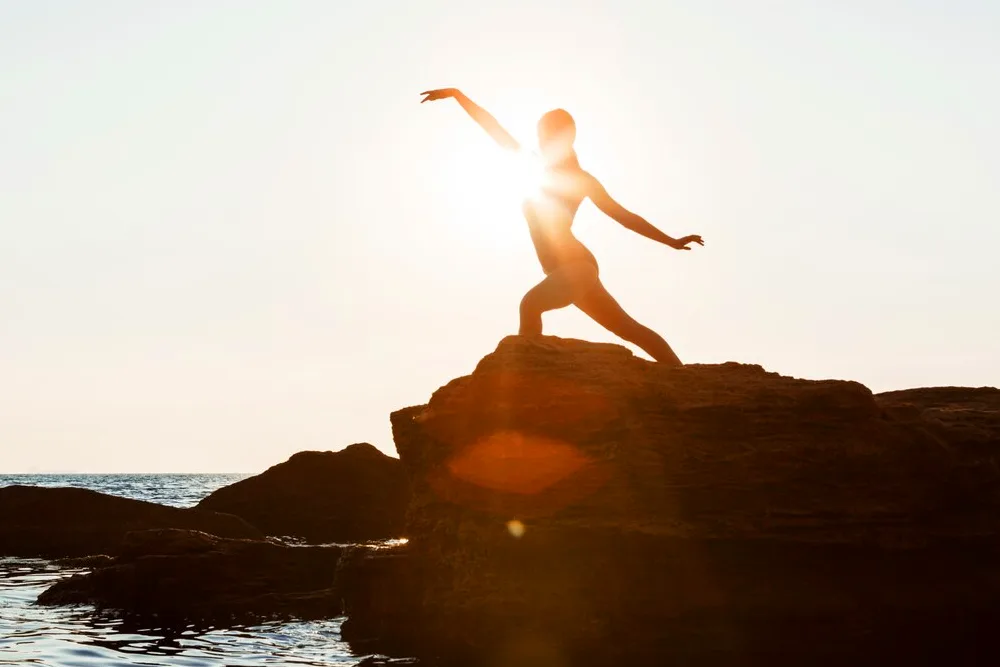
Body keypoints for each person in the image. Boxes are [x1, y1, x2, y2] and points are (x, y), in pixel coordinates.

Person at [420, 87, 703, 365]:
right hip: (564, 270)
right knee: (627, 328)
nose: (541, 139)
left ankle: (525, 373)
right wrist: (458, 95)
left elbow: (623, 215)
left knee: (531, 305)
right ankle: (679, 372)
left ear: (565, 138)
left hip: (576, 265)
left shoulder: (580, 179)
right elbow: (493, 127)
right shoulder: (530, 166)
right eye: (540, 133)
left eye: (548, 133)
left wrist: (671, 241)